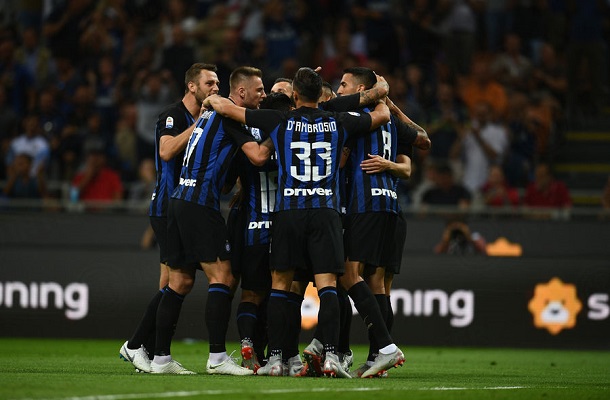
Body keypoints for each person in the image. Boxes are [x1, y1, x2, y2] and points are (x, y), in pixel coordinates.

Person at [204, 66, 392, 378]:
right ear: (321, 94)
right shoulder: (337, 120)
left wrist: (212, 100)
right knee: (328, 285)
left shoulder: (279, 120)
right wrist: (382, 93)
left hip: (288, 212)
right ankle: (332, 356)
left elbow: (229, 110)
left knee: (281, 285)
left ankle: (277, 358)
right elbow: (381, 116)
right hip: (325, 211)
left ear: (294, 95)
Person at [155, 66, 269, 376]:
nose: (263, 95)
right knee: (224, 277)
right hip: (199, 203)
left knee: (179, 282)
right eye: (259, 90)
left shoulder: (207, 116)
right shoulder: (231, 115)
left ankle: (160, 358)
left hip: (179, 199)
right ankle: (217, 357)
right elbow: (258, 156)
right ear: (242, 92)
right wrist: (276, 136)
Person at [119, 63, 219, 374]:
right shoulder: (173, 115)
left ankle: (147, 351)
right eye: (210, 83)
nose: (216, 88)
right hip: (167, 207)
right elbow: (166, 151)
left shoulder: (204, 117)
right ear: (192, 86)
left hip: (186, 207)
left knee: (175, 283)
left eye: (218, 83)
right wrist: (199, 125)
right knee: (175, 282)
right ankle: (139, 347)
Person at [328, 67, 418, 378]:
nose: (340, 89)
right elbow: (422, 139)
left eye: (344, 84)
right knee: (377, 283)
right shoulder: (392, 120)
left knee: (348, 275)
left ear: (361, 89)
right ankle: (376, 360)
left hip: (365, 203)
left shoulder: (356, 116)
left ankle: (386, 348)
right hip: (390, 204)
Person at [228, 92, 296, 374]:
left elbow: (229, 181)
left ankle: (247, 343)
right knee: (281, 294)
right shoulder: (292, 141)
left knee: (250, 295)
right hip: (283, 229)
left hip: (253, 227)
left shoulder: (249, 145)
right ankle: (283, 355)